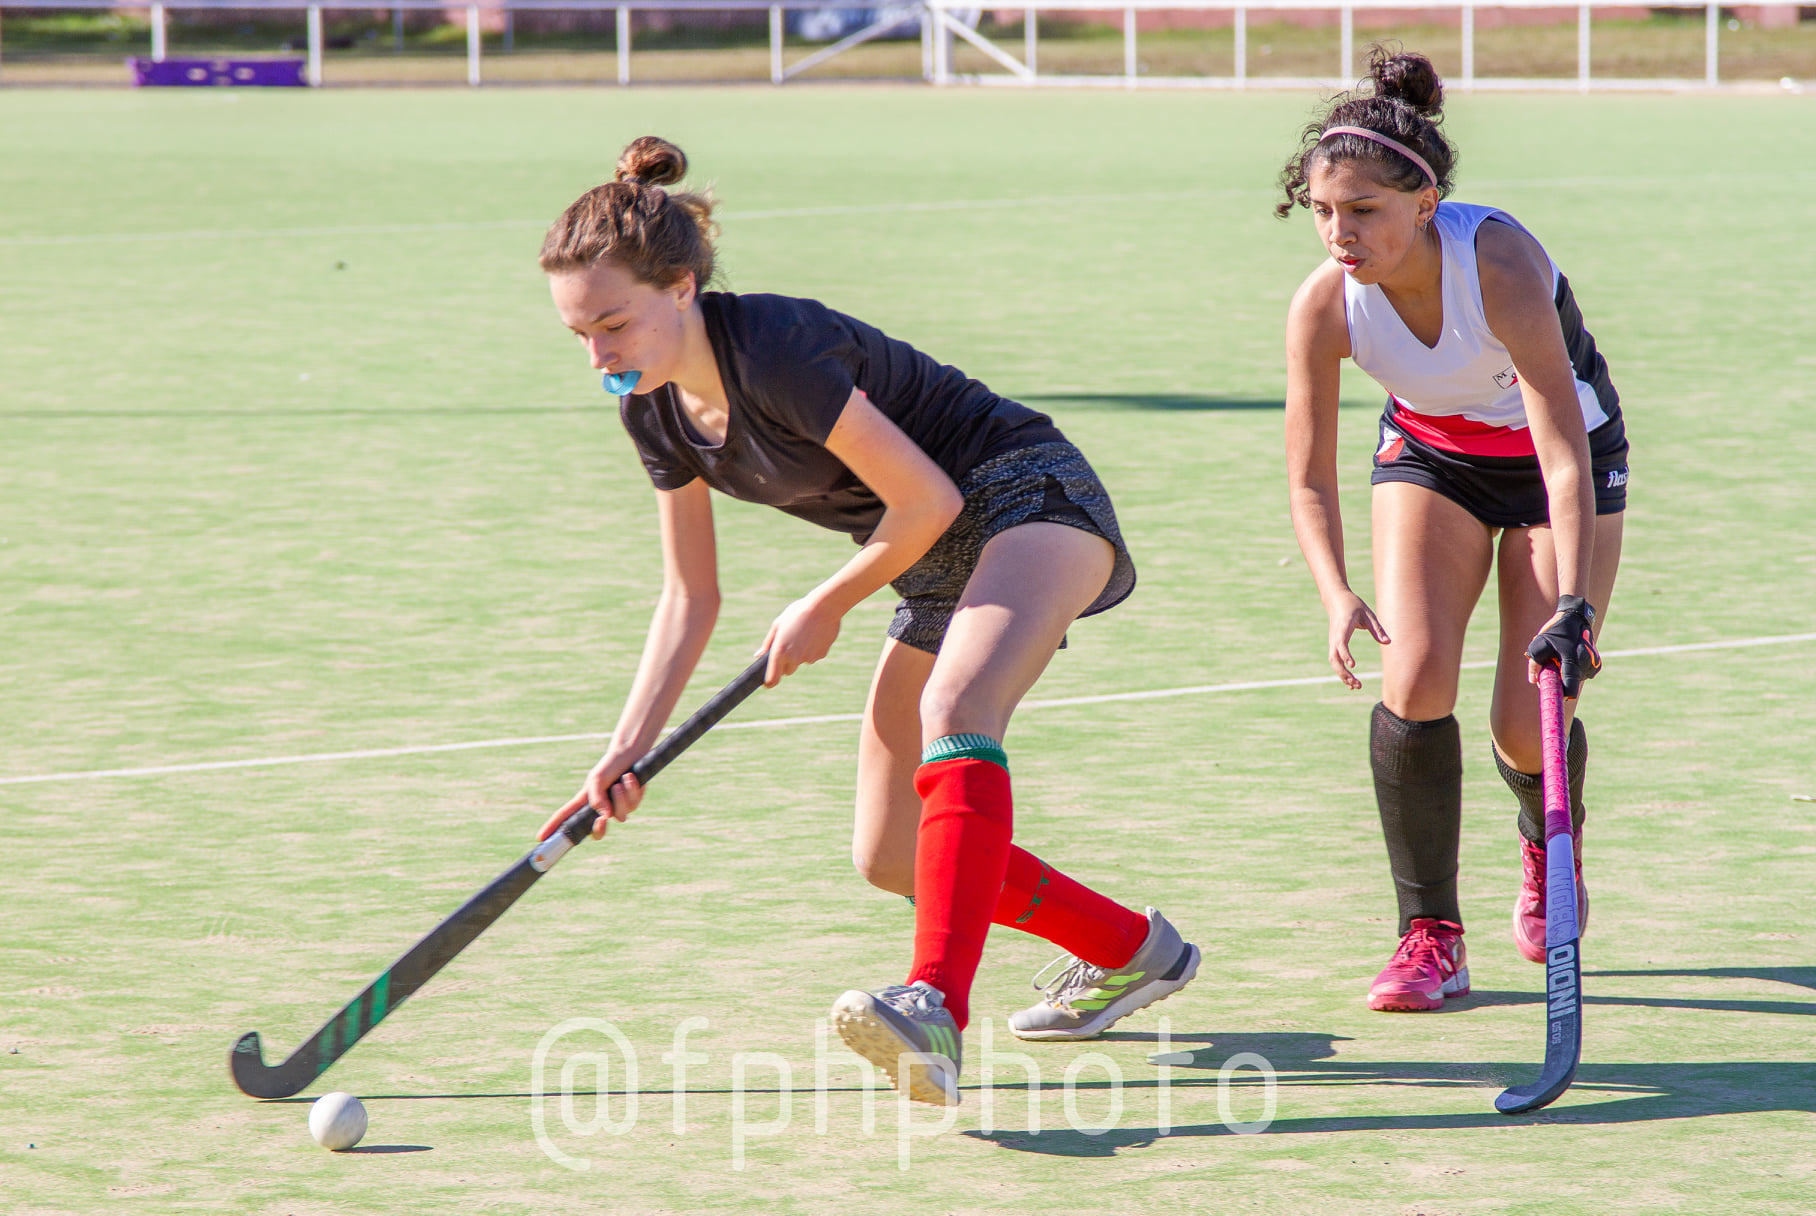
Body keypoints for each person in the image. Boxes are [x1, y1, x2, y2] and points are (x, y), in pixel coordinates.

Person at [534, 136, 1200, 1104]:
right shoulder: (654, 412)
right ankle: (1134, 951)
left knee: (957, 703)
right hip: (930, 556)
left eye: (611, 324)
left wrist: (823, 604)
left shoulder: (775, 350)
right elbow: (690, 594)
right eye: (579, 336)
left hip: (1023, 495)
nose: (598, 356)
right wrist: (622, 749)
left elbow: (926, 496)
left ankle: (933, 1006)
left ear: (679, 286)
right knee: (889, 852)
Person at [1279, 49, 1627, 1011]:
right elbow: (1308, 476)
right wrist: (1335, 592)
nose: (1339, 234)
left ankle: (1546, 846)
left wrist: (1573, 603)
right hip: (1436, 461)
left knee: (1527, 712)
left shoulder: (1500, 264)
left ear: (1424, 203)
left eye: (1363, 212)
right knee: (1415, 673)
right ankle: (1429, 936)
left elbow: (1562, 442)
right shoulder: (1325, 305)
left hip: (1565, 464)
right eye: (1321, 211)